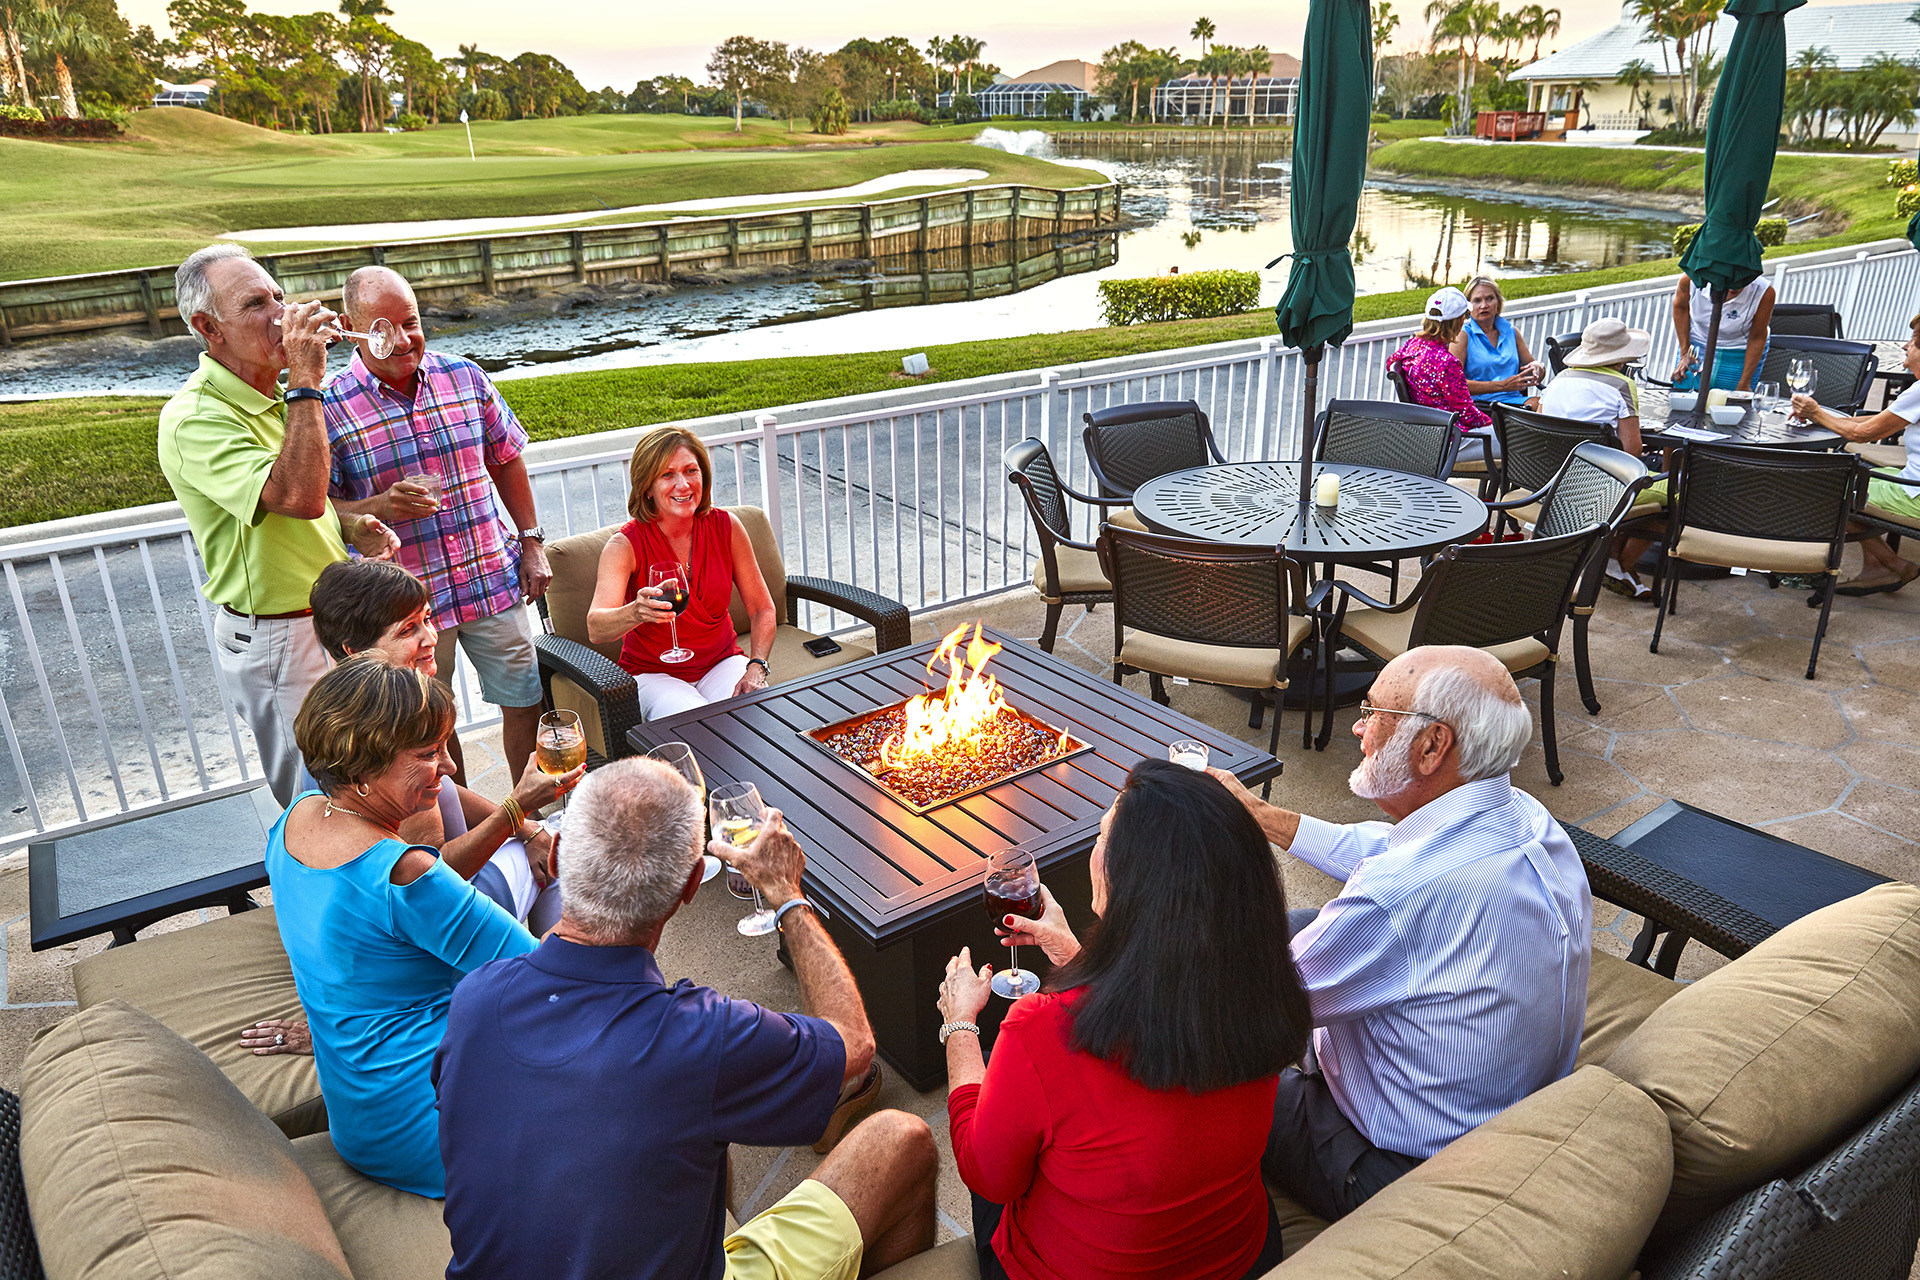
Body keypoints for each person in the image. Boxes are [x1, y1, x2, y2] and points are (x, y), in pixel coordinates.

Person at [434, 757, 930, 1280]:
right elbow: (854, 1044)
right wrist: (787, 895)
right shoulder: (700, 1037)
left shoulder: (473, 998)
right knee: (903, 1140)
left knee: (698, 1123)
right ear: (692, 884)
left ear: (554, 856)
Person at [1206, 645, 1592, 1223]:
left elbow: (1253, 1008)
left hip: (1402, 1164)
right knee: (1293, 928)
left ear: (1432, 745)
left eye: (1372, 713)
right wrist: (1261, 818)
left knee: (1210, 1045)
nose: (1359, 728)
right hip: (1507, 1114)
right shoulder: (1522, 814)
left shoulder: (1400, 895)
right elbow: (1391, 849)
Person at [938, 759, 1311, 1280]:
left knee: (990, 1100)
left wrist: (959, 1026)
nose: (1095, 852)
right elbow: (1165, 1009)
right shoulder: (1259, 986)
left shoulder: (1038, 1031)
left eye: (1101, 838)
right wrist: (1072, 952)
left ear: (1124, 881)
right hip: (1238, 1257)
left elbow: (988, 1176)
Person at [262, 653, 582, 1196]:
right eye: (430, 753)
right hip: (436, 1122)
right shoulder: (405, 874)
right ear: (364, 768)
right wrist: (616, 884)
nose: (452, 767)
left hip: (362, 1118)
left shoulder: (294, 821)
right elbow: (549, 976)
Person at [239, 564, 566, 1060]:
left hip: (372, 1085)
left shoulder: (309, 802)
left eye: (427, 618)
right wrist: (515, 812)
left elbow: (448, 793)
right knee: (570, 867)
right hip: (434, 1019)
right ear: (354, 650)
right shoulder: (405, 861)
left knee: (549, 845)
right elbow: (435, 886)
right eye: (408, 628)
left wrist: (528, 824)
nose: (432, 636)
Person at [157, 243, 399, 807]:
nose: (280, 314)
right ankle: (322, 892)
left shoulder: (276, 401)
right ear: (207, 328)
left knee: (377, 778)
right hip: (278, 637)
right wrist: (307, 380)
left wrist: (351, 524)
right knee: (318, 797)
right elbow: (297, 493)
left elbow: (305, 506)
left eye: (279, 297)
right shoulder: (195, 418)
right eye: (254, 304)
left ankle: (393, 889)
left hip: (334, 622)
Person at [323, 266, 551, 787]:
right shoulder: (330, 406)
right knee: (429, 725)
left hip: (491, 577)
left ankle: (525, 819)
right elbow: (320, 505)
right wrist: (377, 505)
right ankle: (465, 832)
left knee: (525, 700)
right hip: (408, 604)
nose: (404, 339)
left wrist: (531, 542)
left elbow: (507, 458)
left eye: (412, 321)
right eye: (384, 328)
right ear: (352, 328)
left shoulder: (465, 377)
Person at [588, 425, 779, 719]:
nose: (684, 485)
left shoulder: (727, 527)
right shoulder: (624, 545)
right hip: (653, 674)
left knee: (756, 718)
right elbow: (596, 629)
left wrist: (757, 666)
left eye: (691, 470)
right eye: (667, 475)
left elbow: (762, 609)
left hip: (721, 662)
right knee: (695, 723)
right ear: (646, 488)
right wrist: (636, 612)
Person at [1788, 313, 1920, 595]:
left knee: (1820, 487)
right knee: (1846, 479)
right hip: (1912, 482)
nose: (1905, 347)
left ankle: (1891, 563)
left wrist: (1815, 412)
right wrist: (1822, 417)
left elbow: (1864, 435)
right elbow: (1875, 422)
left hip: (1916, 495)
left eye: (1914, 341)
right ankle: (1879, 566)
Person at [1536, 316, 1663, 597]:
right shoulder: (1621, 385)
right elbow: (1633, 451)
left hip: (1552, 482)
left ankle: (1611, 558)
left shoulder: (1558, 381)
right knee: (1675, 489)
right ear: (1622, 357)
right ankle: (1619, 562)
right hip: (1599, 488)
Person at [1386, 286, 1494, 461]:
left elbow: (1391, 361)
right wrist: (1496, 424)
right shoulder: (1447, 363)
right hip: (1451, 439)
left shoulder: (1413, 344)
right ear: (1458, 322)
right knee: (1515, 441)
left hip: (1427, 434)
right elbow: (1466, 413)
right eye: (1464, 317)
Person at [1450, 276, 1543, 408]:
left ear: (1498, 302)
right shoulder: (1462, 336)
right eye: (1477, 300)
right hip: (1480, 406)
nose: (1484, 305)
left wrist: (1537, 368)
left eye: (1490, 299)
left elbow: (1532, 366)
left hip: (1514, 402)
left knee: (1551, 404)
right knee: (1543, 408)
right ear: (1468, 307)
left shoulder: (1511, 332)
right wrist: (1503, 385)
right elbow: (1454, 384)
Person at [1671, 273, 1774, 392]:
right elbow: (1680, 308)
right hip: (1696, 350)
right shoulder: (1690, 280)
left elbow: (1757, 337)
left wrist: (1744, 382)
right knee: (1684, 397)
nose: (1733, 287)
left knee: (1731, 404)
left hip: (1738, 355)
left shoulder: (1764, 292)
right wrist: (1684, 354)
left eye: (1741, 281)